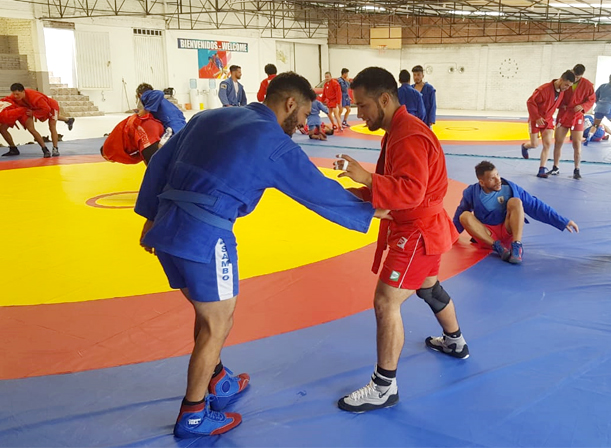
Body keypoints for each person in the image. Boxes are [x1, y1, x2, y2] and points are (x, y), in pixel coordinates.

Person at [135, 72, 387, 438]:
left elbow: (159, 164)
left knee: (208, 315)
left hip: (168, 230)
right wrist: (371, 211)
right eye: (302, 115)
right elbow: (314, 188)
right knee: (217, 323)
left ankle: (218, 379)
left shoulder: (210, 117)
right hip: (205, 236)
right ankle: (192, 414)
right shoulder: (271, 140)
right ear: (289, 104)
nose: (302, 124)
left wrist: (148, 217)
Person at [335, 67, 468, 413]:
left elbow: (410, 191)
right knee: (428, 287)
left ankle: (384, 386)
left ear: (384, 98)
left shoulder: (408, 134)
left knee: (385, 302)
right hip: (425, 227)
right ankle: (455, 343)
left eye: (362, 106)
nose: (359, 114)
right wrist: (362, 190)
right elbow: (398, 183)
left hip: (416, 232)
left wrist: (366, 178)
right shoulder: (398, 131)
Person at [453, 160, 579, 264]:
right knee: (465, 216)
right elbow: (460, 213)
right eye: (492, 178)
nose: (498, 180)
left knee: (516, 202)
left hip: (507, 230)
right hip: (487, 236)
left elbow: (535, 205)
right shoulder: (471, 192)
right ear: (482, 182)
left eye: (498, 174)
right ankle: (497, 247)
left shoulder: (510, 188)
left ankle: (517, 245)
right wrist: (450, 235)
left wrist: (562, 221)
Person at [520, 71, 576, 178]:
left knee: (547, 144)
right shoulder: (543, 90)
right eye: (566, 85)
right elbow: (530, 102)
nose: (567, 88)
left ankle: (542, 168)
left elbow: (557, 102)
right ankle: (525, 146)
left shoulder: (562, 91)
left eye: (569, 86)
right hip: (536, 119)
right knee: (534, 144)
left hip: (548, 120)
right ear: (560, 80)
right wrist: (536, 117)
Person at [2, 83, 75, 158]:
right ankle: (68, 120)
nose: (15, 96)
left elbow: (47, 109)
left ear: (23, 92)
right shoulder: (14, 96)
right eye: (14, 94)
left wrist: (34, 113)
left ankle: (55, 148)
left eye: (17, 94)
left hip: (51, 107)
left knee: (52, 125)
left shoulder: (35, 97)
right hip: (36, 108)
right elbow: (7, 100)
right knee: (52, 117)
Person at [551, 64, 595, 180]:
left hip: (577, 115)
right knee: (558, 141)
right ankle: (555, 167)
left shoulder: (588, 85)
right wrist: (560, 105)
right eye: (574, 75)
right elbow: (557, 93)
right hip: (564, 113)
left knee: (577, 143)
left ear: (582, 76)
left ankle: (577, 169)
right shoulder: (566, 79)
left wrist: (583, 106)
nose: (575, 79)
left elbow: (591, 99)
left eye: (578, 77)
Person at [587, 73, 611, 148]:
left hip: (599, 107)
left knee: (595, 125)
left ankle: (588, 139)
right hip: (609, 108)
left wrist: (598, 103)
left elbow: (595, 96)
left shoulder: (602, 86)